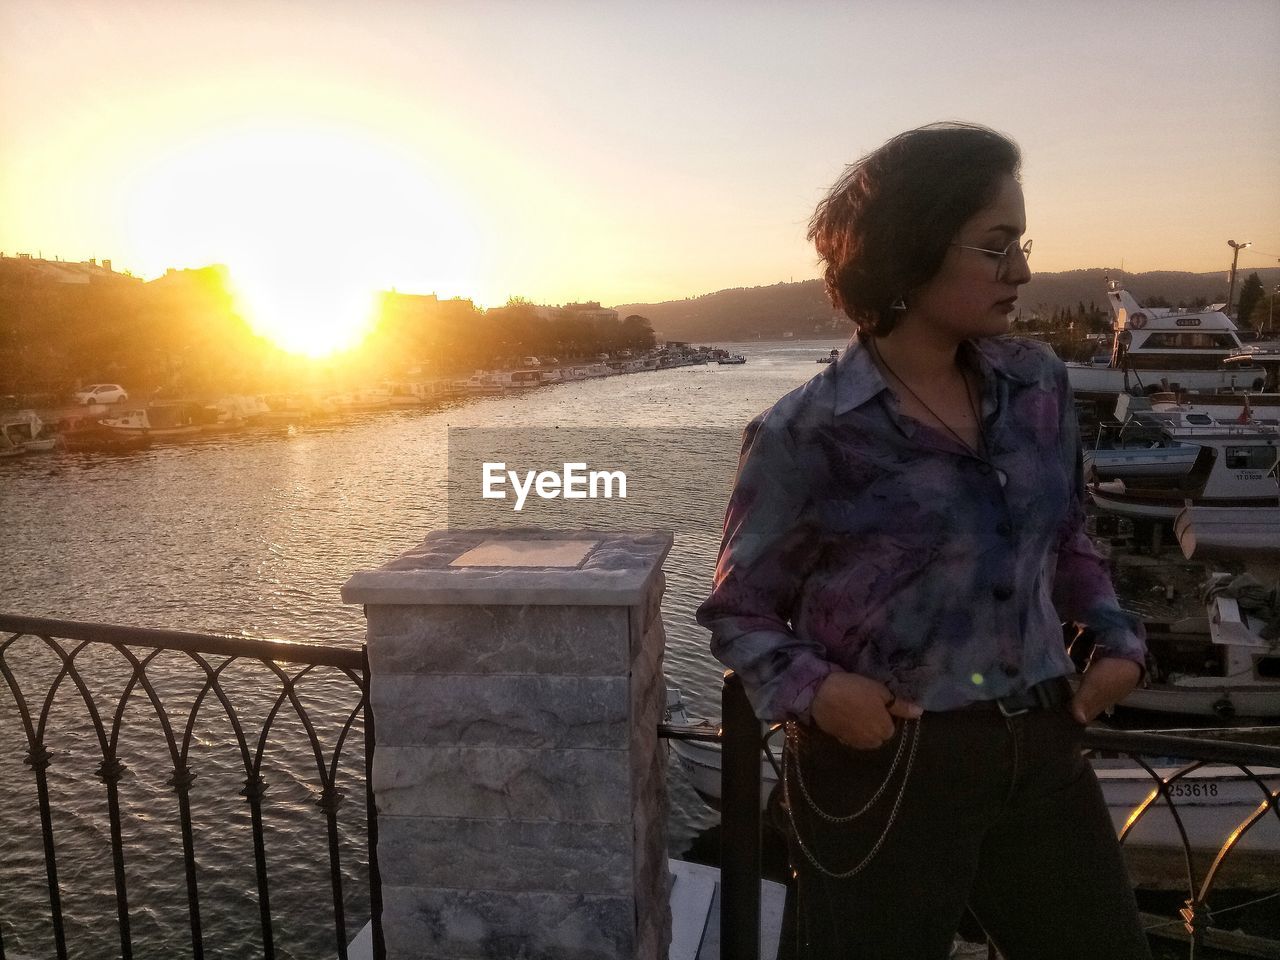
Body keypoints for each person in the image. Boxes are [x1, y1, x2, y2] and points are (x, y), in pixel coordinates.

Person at [696, 123, 1152, 960]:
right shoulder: (808, 432)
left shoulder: (1039, 386)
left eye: (1022, 244)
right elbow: (740, 611)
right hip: (886, 765)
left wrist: (1117, 639)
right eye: (996, 246)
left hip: (1042, 746)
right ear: (909, 252)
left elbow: (1069, 534)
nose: (1021, 271)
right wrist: (821, 691)